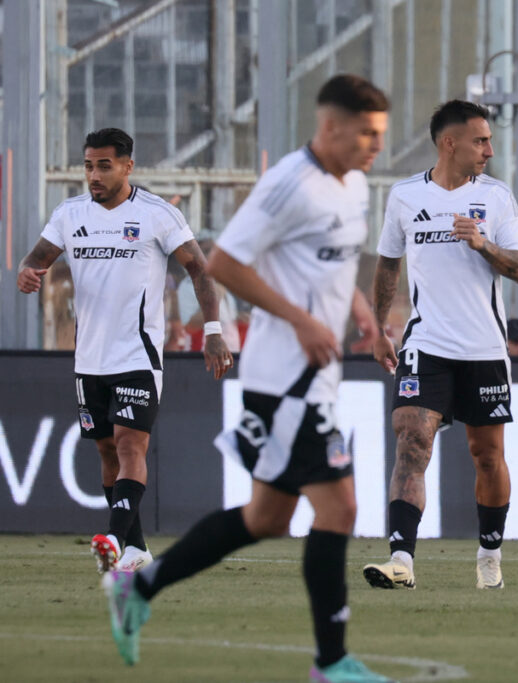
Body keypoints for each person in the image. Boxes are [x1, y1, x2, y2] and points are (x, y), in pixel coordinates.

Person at [97, 75, 394, 682]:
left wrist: (363, 314)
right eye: (367, 133)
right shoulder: (289, 184)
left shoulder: (356, 183)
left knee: (266, 519)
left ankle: (139, 589)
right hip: (286, 379)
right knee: (340, 508)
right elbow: (226, 263)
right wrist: (301, 320)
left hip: (317, 374)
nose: (375, 146)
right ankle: (331, 663)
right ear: (331, 126)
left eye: (381, 135)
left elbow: (331, 264)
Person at [17, 128, 233, 576]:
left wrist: (213, 330)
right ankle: (135, 548)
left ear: (128, 166)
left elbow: (200, 271)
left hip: (138, 355)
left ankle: (113, 539)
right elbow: (36, 257)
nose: (94, 175)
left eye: (104, 166)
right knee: (106, 453)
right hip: (88, 359)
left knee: (130, 443)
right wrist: (27, 271)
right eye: (89, 166)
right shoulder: (69, 213)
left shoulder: (156, 214)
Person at [365, 99, 518, 591]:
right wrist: (378, 327)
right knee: (411, 441)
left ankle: (489, 555)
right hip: (426, 342)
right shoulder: (404, 197)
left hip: (484, 348)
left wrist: (485, 246)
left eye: (490, 141)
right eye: (481, 140)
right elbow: (388, 265)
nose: (489, 150)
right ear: (449, 143)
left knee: (487, 456)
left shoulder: (497, 198)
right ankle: (401, 560)